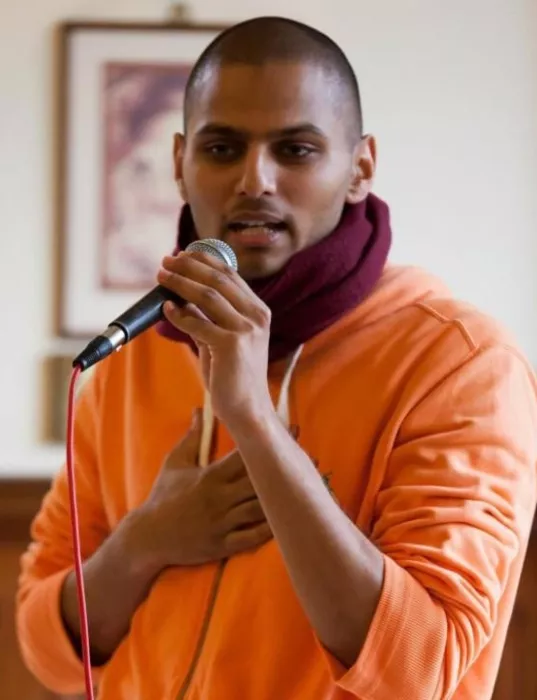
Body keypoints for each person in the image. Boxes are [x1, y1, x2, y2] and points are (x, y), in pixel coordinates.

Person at [16, 16, 537, 700]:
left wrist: (254, 422)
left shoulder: (462, 362)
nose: (254, 179)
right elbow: (48, 653)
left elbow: (421, 673)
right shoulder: (128, 358)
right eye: (222, 147)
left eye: (294, 150)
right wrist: (147, 541)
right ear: (179, 163)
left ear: (360, 168)